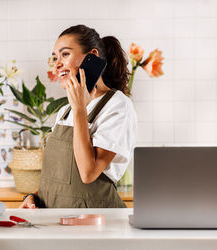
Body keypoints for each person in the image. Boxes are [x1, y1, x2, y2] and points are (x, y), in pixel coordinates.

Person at [20, 25, 137, 209]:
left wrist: (80, 110)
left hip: (95, 224)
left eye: (65, 54)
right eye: (55, 57)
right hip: (55, 222)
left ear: (92, 56)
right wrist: (32, 197)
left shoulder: (117, 105)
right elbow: (61, 182)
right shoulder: (64, 111)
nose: (57, 64)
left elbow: (88, 173)